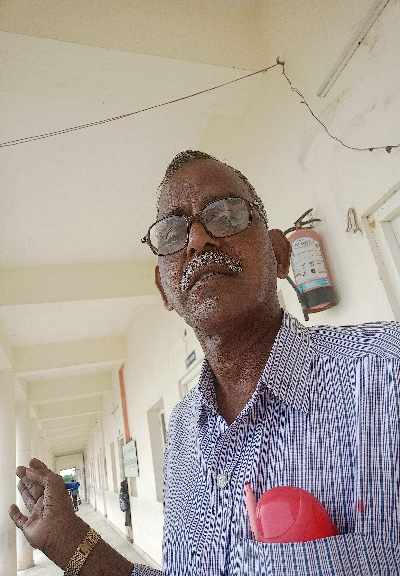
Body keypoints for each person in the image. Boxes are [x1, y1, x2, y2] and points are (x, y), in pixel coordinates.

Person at [9, 150, 400, 575]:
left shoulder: (386, 373)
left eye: (226, 215)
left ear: (279, 254)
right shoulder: (181, 432)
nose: (197, 240)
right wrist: (71, 543)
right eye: (172, 233)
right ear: (164, 289)